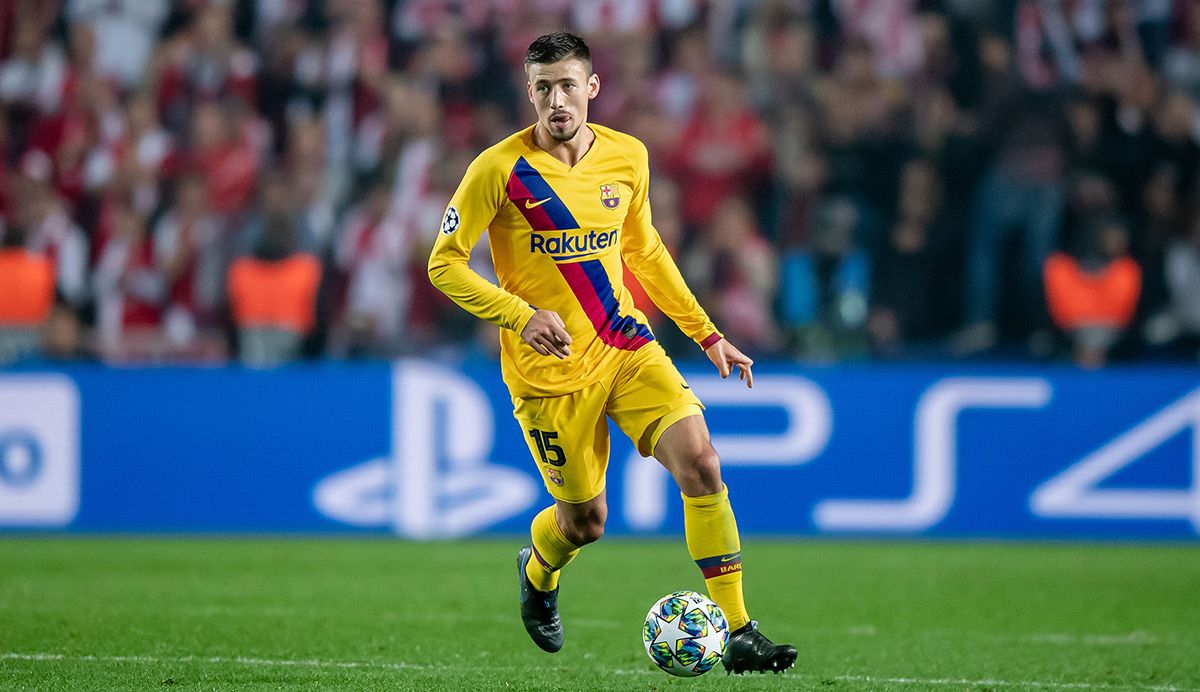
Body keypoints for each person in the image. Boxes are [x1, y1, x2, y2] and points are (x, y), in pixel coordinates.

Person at [427, 32, 796, 675]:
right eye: (543, 87)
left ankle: (738, 629)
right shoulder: (498, 168)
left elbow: (644, 251)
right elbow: (443, 265)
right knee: (585, 522)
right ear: (530, 93)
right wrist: (519, 314)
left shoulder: (628, 156)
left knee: (702, 464)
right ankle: (538, 570)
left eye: (568, 84)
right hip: (550, 370)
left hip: (623, 341)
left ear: (592, 87)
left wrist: (707, 335)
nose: (556, 99)